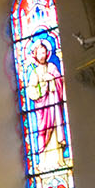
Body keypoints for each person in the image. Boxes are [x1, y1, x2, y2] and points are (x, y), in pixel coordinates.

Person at [24, 39, 69, 168]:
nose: (42, 55)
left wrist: (52, 79)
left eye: (44, 52)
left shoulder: (52, 67)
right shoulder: (34, 72)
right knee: (43, 132)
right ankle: (43, 162)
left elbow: (60, 83)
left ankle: (59, 160)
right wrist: (41, 91)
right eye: (39, 53)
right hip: (42, 109)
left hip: (53, 105)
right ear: (35, 55)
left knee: (54, 129)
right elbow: (31, 92)